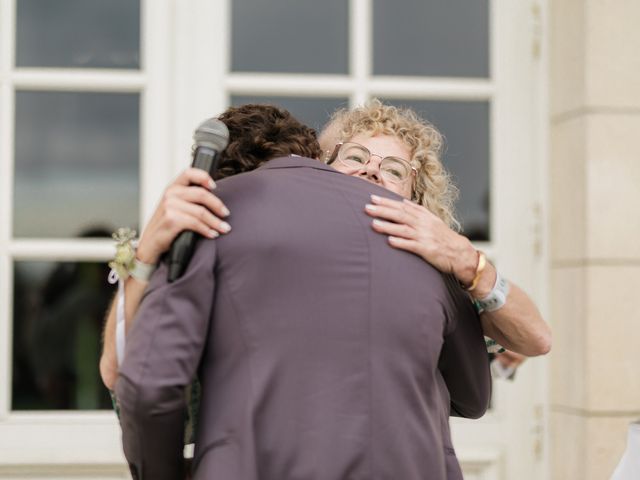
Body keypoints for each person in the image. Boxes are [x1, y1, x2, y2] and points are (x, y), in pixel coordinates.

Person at [113, 104, 490, 479]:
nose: (371, 173)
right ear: (319, 155)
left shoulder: (212, 213)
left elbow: (145, 385)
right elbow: (473, 396)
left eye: (394, 170)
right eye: (356, 156)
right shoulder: (429, 248)